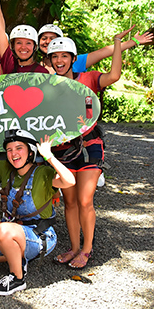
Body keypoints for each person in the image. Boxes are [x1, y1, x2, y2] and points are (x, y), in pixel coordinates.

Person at [0, 130, 75, 296]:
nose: (13, 153)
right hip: (10, 232)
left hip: (39, 235)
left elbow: (70, 181)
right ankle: (14, 255)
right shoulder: (5, 169)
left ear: (30, 152)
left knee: (4, 228)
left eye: (19, 148)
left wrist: (49, 156)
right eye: (9, 150)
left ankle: (17, 278)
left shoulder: (43, 173)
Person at [46, 30, 125, 269]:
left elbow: (114, 75)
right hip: (62, 149)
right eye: (55, 57)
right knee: (69, 202)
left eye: (64, 56)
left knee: (84, 200)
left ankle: (87, 249)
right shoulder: (46, 87)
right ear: (50, 61)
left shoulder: (88, 78)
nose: (59, 61)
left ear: (72, 58)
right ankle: (73, 247)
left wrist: (117, 43)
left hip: (89, 145)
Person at [38, 24, 153, 74]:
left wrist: (134, 41)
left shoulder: (76, 62)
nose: (48, 42)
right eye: (44, 38)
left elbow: (104, 52)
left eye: (52, 39)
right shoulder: (33, 67)